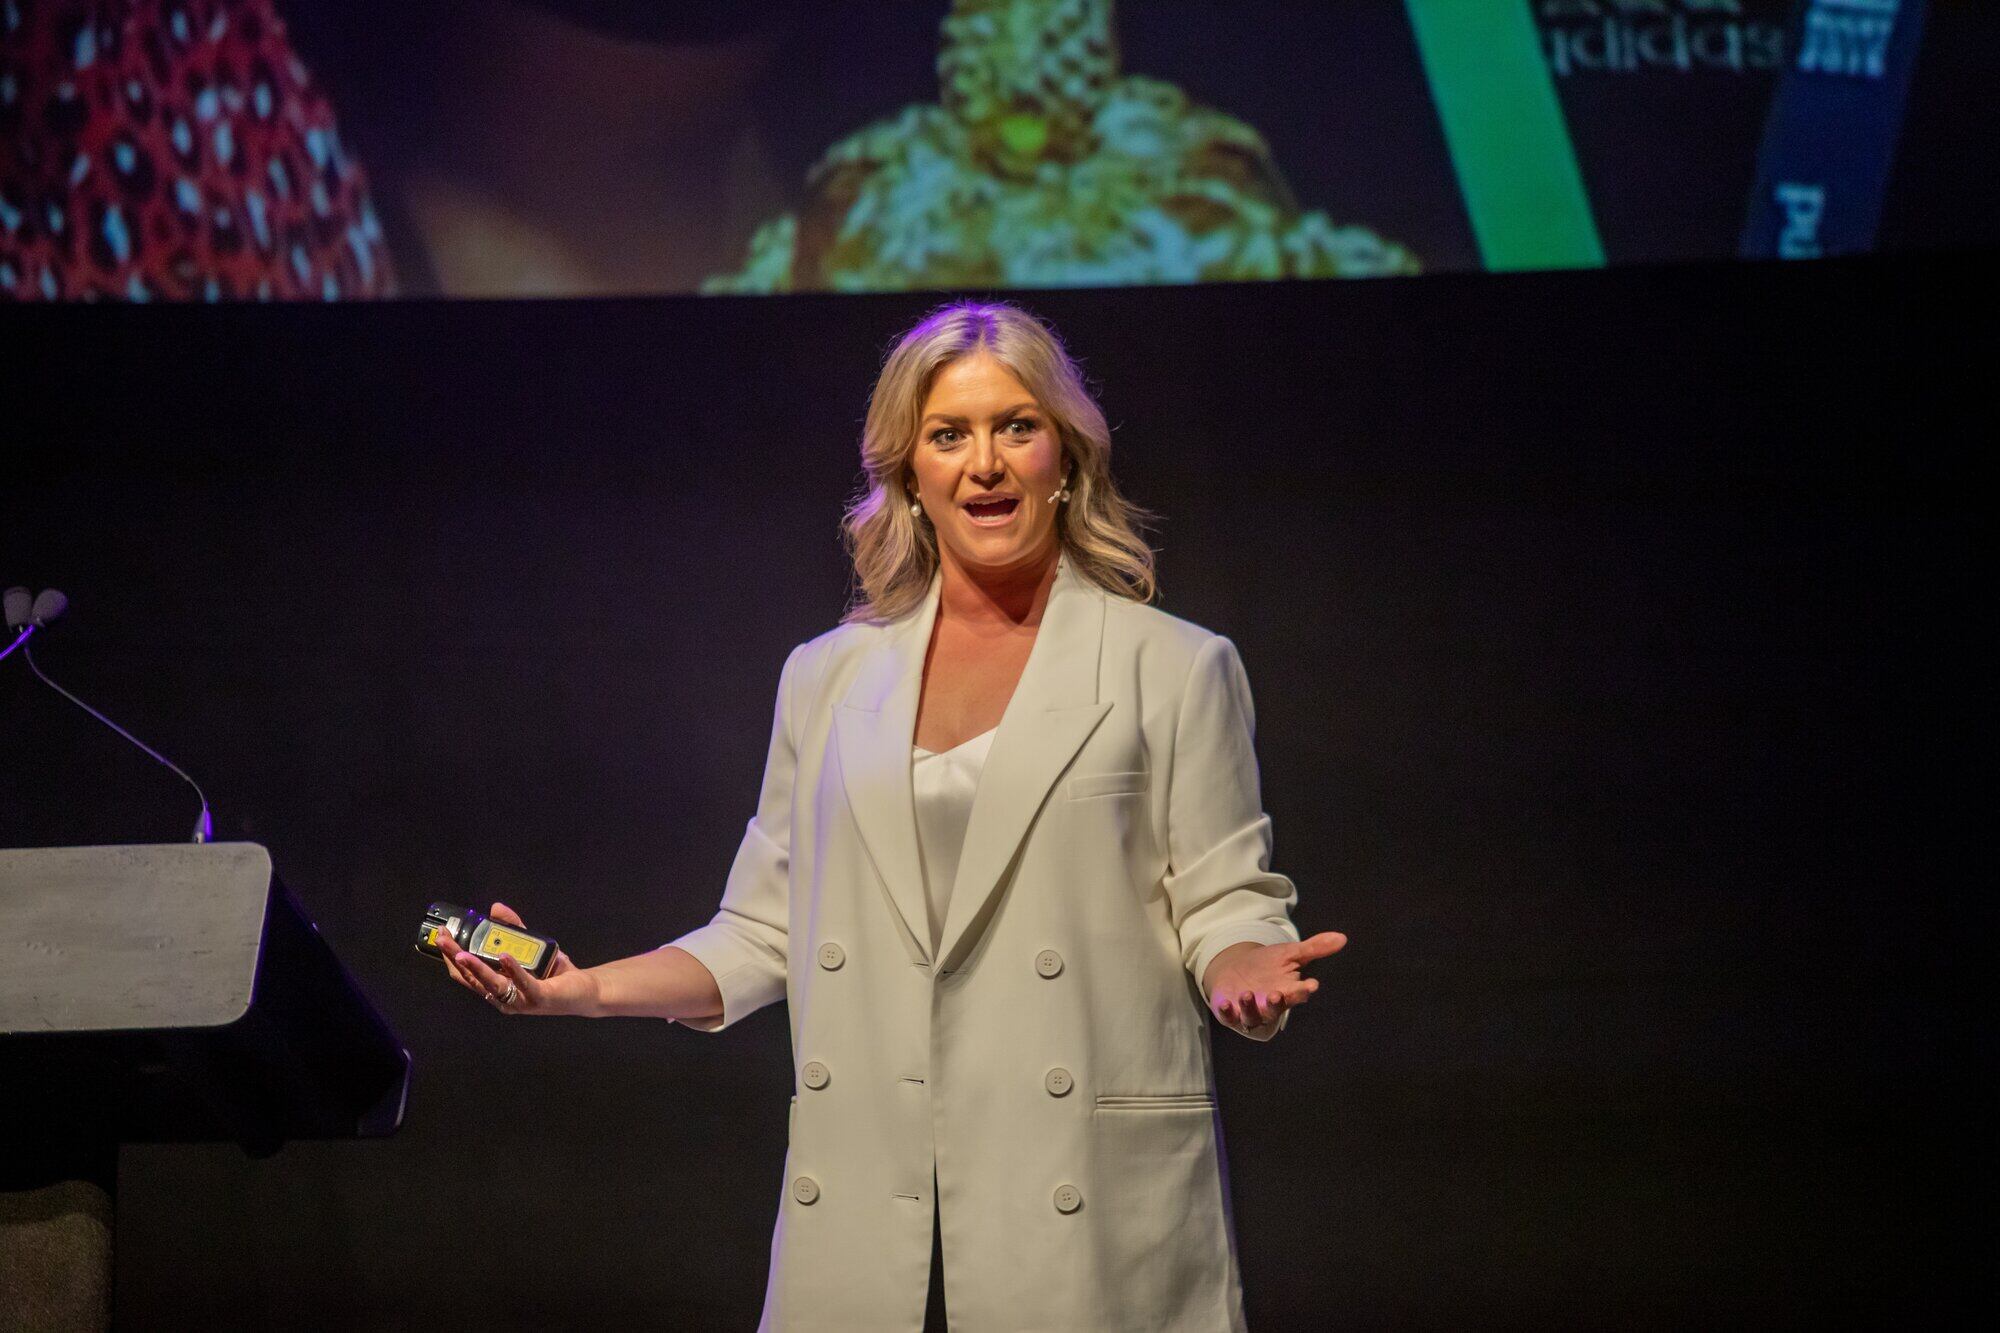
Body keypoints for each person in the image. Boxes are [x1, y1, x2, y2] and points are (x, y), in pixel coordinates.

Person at [432, 299, 1347, 1331]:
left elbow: (1224, 896)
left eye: (1016, 426)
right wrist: (585, 989)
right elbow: (763, 928)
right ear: (909, 473)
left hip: (1081, 1202)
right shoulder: (827, 676)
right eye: (948, 435)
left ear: (1065, 456)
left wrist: (1239, 968)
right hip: (870, 1205)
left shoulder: (1173, 666)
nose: (984, 463)